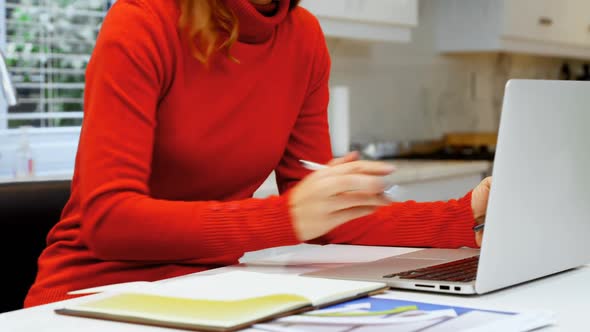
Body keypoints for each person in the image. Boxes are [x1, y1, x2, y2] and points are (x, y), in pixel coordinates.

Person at [24, 0, 491, 307]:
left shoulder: (303, 37)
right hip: (90, 298)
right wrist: (286, 217)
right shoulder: (144, 19)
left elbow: (325, 215)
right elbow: (110, 221)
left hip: (208, 292)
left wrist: (464, 215)